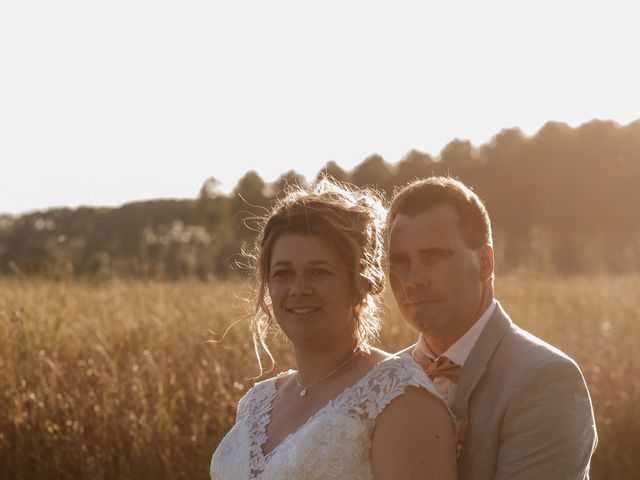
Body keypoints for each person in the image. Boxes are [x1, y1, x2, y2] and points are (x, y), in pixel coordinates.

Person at [210, 178, 458, 480]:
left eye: (319, 272)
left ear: (362, 283)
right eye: (283, 273)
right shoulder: (257, 403)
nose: (298, 289)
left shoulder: (399, 396)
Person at [387, 176, 598, 480]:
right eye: (400, 261)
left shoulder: (546, 378)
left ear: (485, 263)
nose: (413, 278)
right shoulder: (382, 379)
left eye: (434, 257)